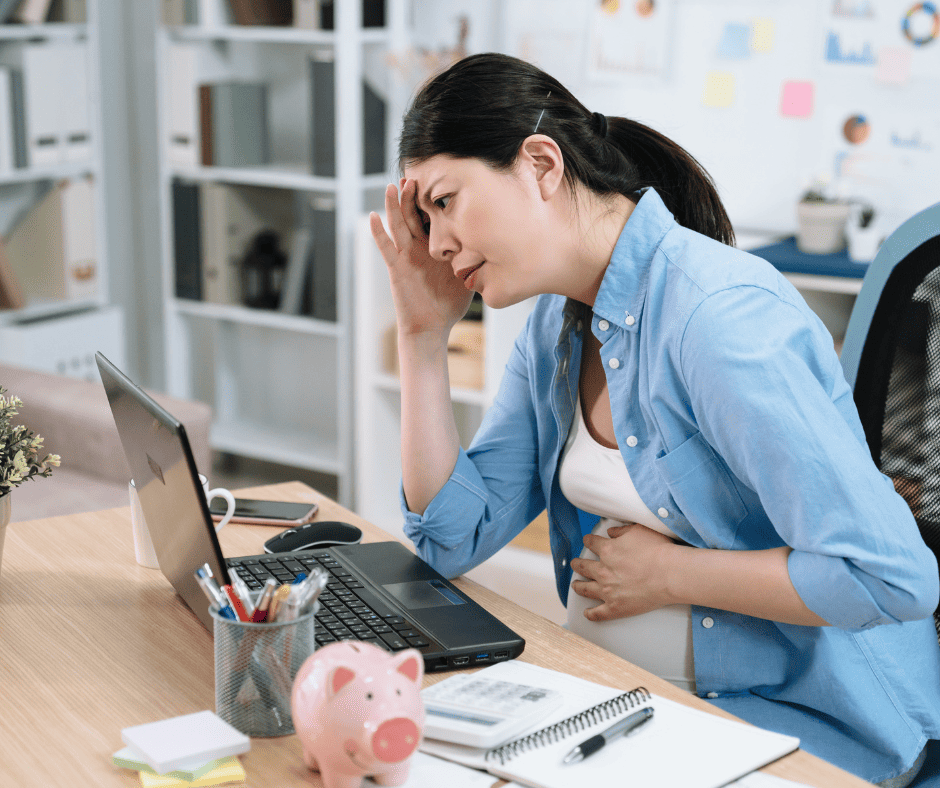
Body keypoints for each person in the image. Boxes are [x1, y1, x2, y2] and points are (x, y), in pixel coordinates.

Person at [369, 52, 940, 787]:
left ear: (541, 164)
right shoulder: (555, 328)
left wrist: (674, 574)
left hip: (788, 730)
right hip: (619, 708)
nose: (437, 243)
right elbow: (449, 541)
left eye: (443, 202)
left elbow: (887, 580)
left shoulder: (717, 318)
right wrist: (421, 342)